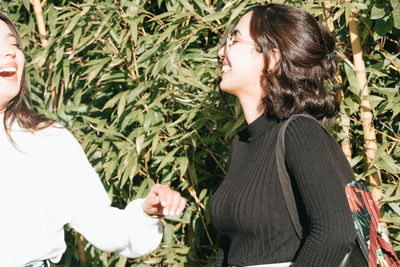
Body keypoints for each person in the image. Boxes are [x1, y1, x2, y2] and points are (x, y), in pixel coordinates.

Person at [0, 12, 186, 267]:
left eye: (13, 45)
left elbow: (100, 222)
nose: (10, 53)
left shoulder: (49, 140)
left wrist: (146, 213)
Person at [209, 3, 356, 267]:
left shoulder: (300, 133)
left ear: (271, 58)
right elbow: (231, 246)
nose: (221, 52)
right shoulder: (241, 144)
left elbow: (334, 233)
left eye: (235, 40)